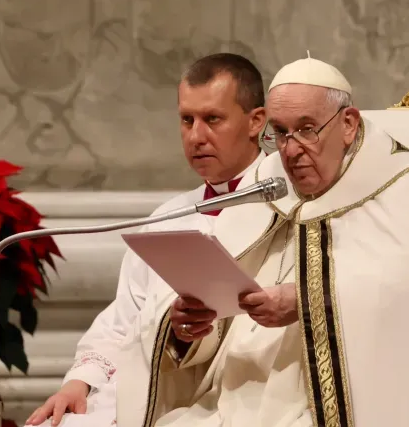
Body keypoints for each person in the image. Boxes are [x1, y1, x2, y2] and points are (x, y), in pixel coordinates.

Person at [114, 57, 409, 427]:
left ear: (348, 124)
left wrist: (306, 300)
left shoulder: (405, 183)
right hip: (235, 396)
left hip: (342, 403)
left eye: (307, 130)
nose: (291, 150)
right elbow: (222, 300)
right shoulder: (270, 185)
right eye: (280, 132)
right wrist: (190, 329)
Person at [24, 53, 267, 427]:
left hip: (240, 393)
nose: (196, 136)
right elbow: (125, 317)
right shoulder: (169, 217)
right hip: (154, 390)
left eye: (212, 119)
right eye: (187, 120)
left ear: (256, 122)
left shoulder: (285, 210)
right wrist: (80, 382)